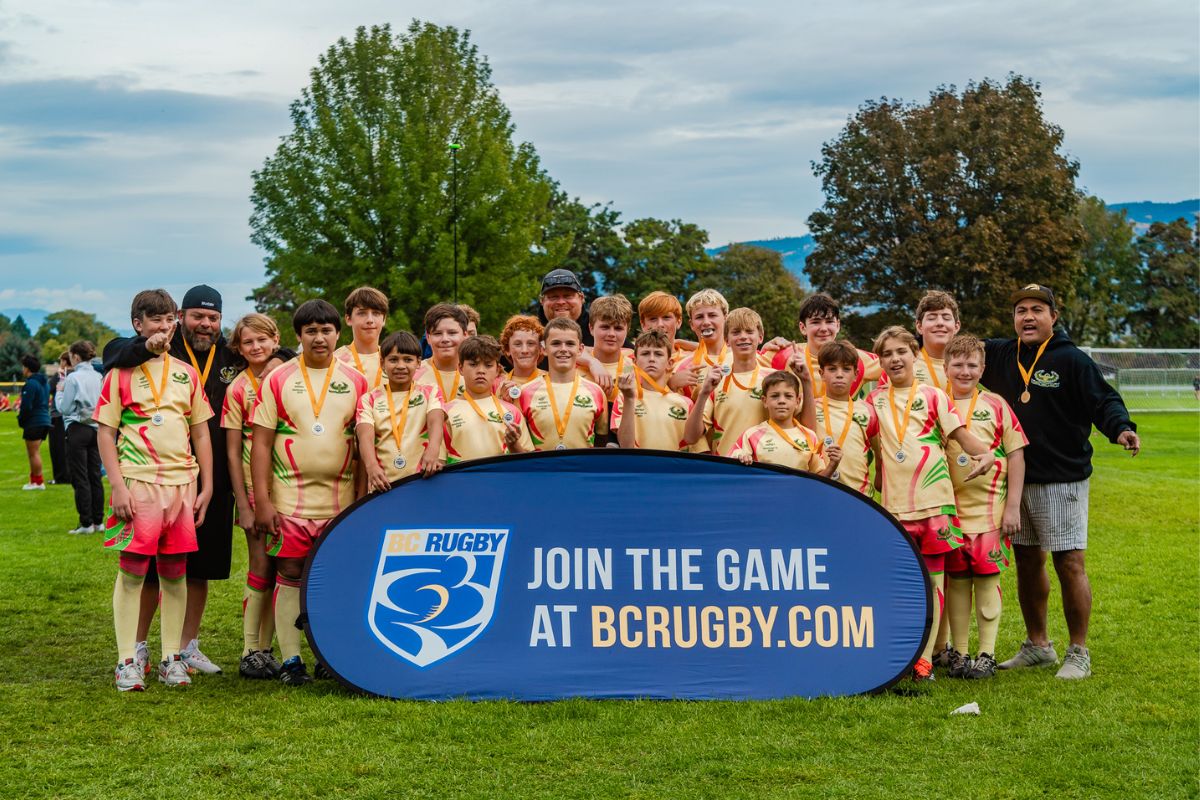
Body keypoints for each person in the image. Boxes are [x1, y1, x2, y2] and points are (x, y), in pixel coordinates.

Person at [981, 284, 1140, 680]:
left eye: (1037, 309)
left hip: (1062, 479)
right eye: (1020, 310)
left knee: (1069, 562)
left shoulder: (1071, 360)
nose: (1028, 316)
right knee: (1027, 561)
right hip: (1017, 480)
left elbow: (1104, 400)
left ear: (1054, 316)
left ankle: (1078, 651)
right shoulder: (1001, 354)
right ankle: (1038, 646)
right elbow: (950, 349)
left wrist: (1120, 428)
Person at [102, 284, 238, 676]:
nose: (205, 324)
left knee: (196, 565)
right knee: (142, 569)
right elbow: (114, 351)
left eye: (213, 318)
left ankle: (182, 648)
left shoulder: (228, 355)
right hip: (146, 479)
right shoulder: (151, 350)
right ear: (183, 318)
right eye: (197, 316)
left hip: (204, 481)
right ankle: (137, 648)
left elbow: (265, 353)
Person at [865, 325, 997, 682]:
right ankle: (903, 655)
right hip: (894, 510)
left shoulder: (935, 396)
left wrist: (985, 455)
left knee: (935, 586)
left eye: (901, 352)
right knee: (903, 585)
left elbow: (960, 435)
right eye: (887, 354)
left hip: (936, 506)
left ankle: (923, 662)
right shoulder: (873, 401)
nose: (895, 359)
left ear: (914, 354)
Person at [251, 299, 369, 685]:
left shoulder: (357, 380)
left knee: (332, 576)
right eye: (311, 331)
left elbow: (365, 445)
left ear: (338, 333)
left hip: (340, 500)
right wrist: (263, 501)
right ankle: (291, 661)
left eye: (327, 330)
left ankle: (327, 655)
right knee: (289, 571)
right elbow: (262, 444)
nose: (319, 338)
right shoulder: (278, 378)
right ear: (299, 336)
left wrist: (364, 498)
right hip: (290, 501)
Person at [941, 335, 1027, 680]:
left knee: (988, 580)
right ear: (945, 368)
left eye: (972, 365)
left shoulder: (996, 404)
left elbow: (1017, 454)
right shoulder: (935, 403)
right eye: (957, 364)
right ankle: (960, 654)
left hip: (990, 512)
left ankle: (986, 654)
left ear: (983, 369)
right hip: (950, 512)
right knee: (958, 582)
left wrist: (1013, 507)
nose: (964, 371)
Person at [221, 313, 294, 680]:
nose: (256, 347)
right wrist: (245, 504)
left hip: (291, 487)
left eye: (263, 340)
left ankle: (269, 649)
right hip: (255, 491)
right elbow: (233, 453)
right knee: (260, 567)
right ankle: (250, 650)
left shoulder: (290, 376)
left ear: (276, 339)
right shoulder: (237, 388)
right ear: (238, 348)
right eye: (248, 342)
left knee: (286, 570)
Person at [684, 308, 816, 457]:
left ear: (760, 337)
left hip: (766, 470)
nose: (743, 337)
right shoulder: (715, 382)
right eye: (736, 332)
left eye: (749, 331)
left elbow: (808, 429)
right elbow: (690, 438)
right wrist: (703, 394)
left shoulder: (776, 379)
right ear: (727, 340)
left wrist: (806, 381)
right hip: (728, 470)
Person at [357, 329, 446, 490]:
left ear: (418, 362)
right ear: (382, 363)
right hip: (382, 485)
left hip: (422, 482)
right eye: (393, 359)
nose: (400, 366)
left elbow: (436, 420)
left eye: (407, 359)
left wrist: (433, 449)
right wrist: (371, 466)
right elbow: (365, 437)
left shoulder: (430, 390)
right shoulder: (368, 399)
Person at [765, 294, 883, 401]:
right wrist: (764, 348)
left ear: (837, 325)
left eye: (829, 321)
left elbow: (897, 367)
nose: (823, 328)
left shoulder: (857, 358)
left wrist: (872, 405)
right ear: (803, 328)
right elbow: (748, 365)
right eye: (815, 322)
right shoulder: (783, 356)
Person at [518, 318, 606, 451]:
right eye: (556, 343)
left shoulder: (596, 392)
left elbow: (601, 441)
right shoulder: (525, 392)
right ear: (544, 349)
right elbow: (519, 443)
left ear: (580, 349)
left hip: (582, 470)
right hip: (540, 470)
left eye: (570, 344)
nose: (563, 349)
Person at [442, 335, 531, 463]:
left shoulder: (511, 411)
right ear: (460, 368)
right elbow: (440, 461)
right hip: (461, 482)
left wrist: (513, 444)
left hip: (500, 482)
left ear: (497, 370)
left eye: (488, 365)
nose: (481, 371)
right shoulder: (445, 412)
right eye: (473, 364)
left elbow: (527, 463)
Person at [730, 370, 836, 477]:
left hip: (797, 494)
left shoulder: (810, 436)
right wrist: (739, 458)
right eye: (775, 396)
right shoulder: (751, 434)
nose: (781, 401)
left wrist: (833, 465)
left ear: (797, 402)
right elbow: (731, 466)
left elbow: (819, 479)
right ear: (765, 401)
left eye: (788, 396)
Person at [535, 269, 626, 391]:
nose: (561, 302)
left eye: (568, 295)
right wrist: (592, 362)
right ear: (542, 301)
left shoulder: (601, 328)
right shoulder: (530, 333)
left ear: (581, 298)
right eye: (553, 297)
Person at [611, 328, 693, 451]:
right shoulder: (624, 398)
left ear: (670, 363)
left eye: (658, 354)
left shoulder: (686, 403)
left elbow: (695, 448)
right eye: (645, 354)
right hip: (638, 469)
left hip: (673, 469)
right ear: (635, 361)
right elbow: (625, 446)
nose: (651, 359)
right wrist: (629, 399)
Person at [813, 341, 876, 495]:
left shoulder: (868, 411)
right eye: (832, 369)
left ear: (855, 375)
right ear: (822, 374)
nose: (839, 374)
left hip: (859, 497)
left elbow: (881, 455)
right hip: (819, 492)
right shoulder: (807, 408)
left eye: (846, 369)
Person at [56, 341, 104, 534]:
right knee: (95, 476)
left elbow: (65, 408)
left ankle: (85, 523)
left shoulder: (73, 377)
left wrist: (59, 393)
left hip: (77, 427)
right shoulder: (99, 375)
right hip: (95, 428)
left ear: (75, 356)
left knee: (80, 477)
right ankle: (98, 521)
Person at [334, 286, 389, 391]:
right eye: (362, 313)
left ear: (384, 319)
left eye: (376, 313)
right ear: (348, 319)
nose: (370, 320)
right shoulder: (335, 360)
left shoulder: (394, 359)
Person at [414, 303, 469, 402]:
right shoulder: (413, 374)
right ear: (428, 337)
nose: (445, 339)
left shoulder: (478, 374)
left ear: (465, 335)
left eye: (452, 333)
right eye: (437, 333)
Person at [913, 290, 961, 390]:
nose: (940, 323)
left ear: (956, 327)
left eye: (946, 318)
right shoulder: (905, 363)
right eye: (931, 318)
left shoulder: (967, 366)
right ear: (919, 326)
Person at [17, 354, 50, 490]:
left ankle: (38, 482)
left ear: (27, 368)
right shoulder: (44, 383)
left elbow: (26, 406)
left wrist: (21, 420)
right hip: (44, 419)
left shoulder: (31, 383)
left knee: (34, 452)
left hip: (34, 421)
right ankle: (34, 481)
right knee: (33, 452)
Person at [495, 315, 545, 398]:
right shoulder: (496, 384)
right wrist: (503, 403)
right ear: (507, 350)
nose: (524, 350)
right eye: (518, 344)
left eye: (531, 343)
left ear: (541, 348)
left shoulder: (551, 380)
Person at [47, 351, 71, 485]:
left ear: (65, 362)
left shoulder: (61, 374)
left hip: (58, 414)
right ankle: (69, 475)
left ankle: (60, 477)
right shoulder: (77, 375)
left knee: (57, 449)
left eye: (61, 360)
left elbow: (49, 388)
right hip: (72, 416)